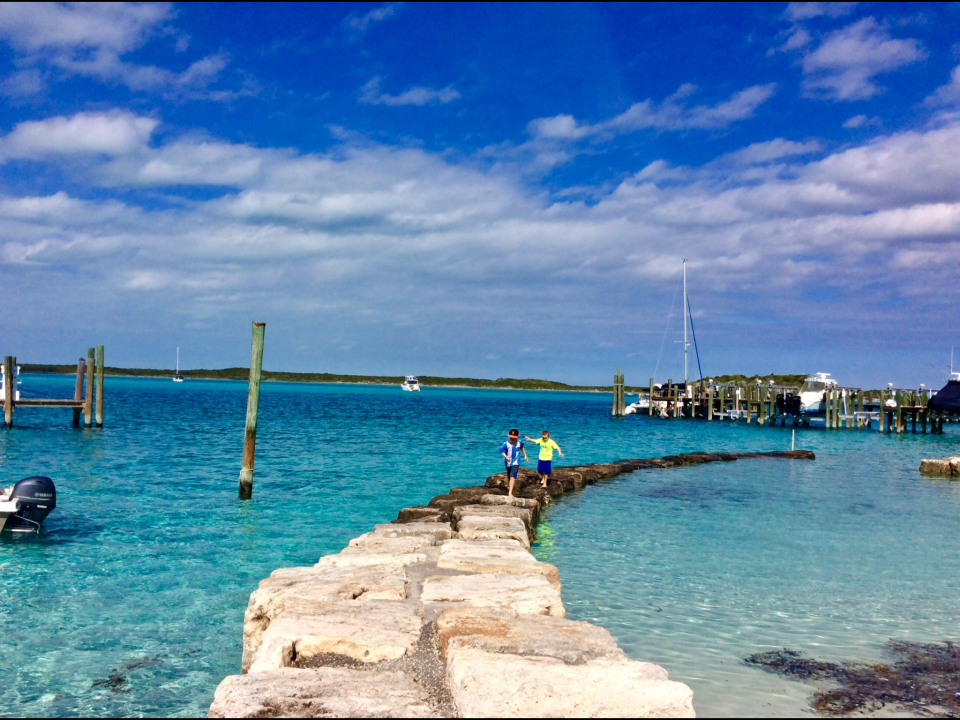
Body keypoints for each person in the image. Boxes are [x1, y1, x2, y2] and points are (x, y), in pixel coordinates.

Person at [499, 429, 528, 498]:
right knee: (510, 478)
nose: (511, 438)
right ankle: (512, 492)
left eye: (513, 437)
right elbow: (501, 451)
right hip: (508, 463)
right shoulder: (506, 444)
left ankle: (509, 493)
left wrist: (525, 455)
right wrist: (506, 456)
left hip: (516, 462)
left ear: (517, 437)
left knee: (513, 476)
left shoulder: (519, 442)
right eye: (510, 437)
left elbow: (522, 448)